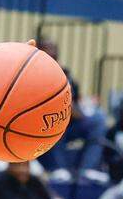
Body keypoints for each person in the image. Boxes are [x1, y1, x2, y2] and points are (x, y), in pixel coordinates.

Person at [36, 39, 109, 178]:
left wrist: (86, 105)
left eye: (54, 52)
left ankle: (88, 170)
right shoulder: (31, 74)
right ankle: (59, 169)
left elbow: (77, 102)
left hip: (70, 121)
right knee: (57, 118)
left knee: (98, 118)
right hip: (44, 123)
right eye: (48, 50)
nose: (53, 53)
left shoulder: (65, 74)